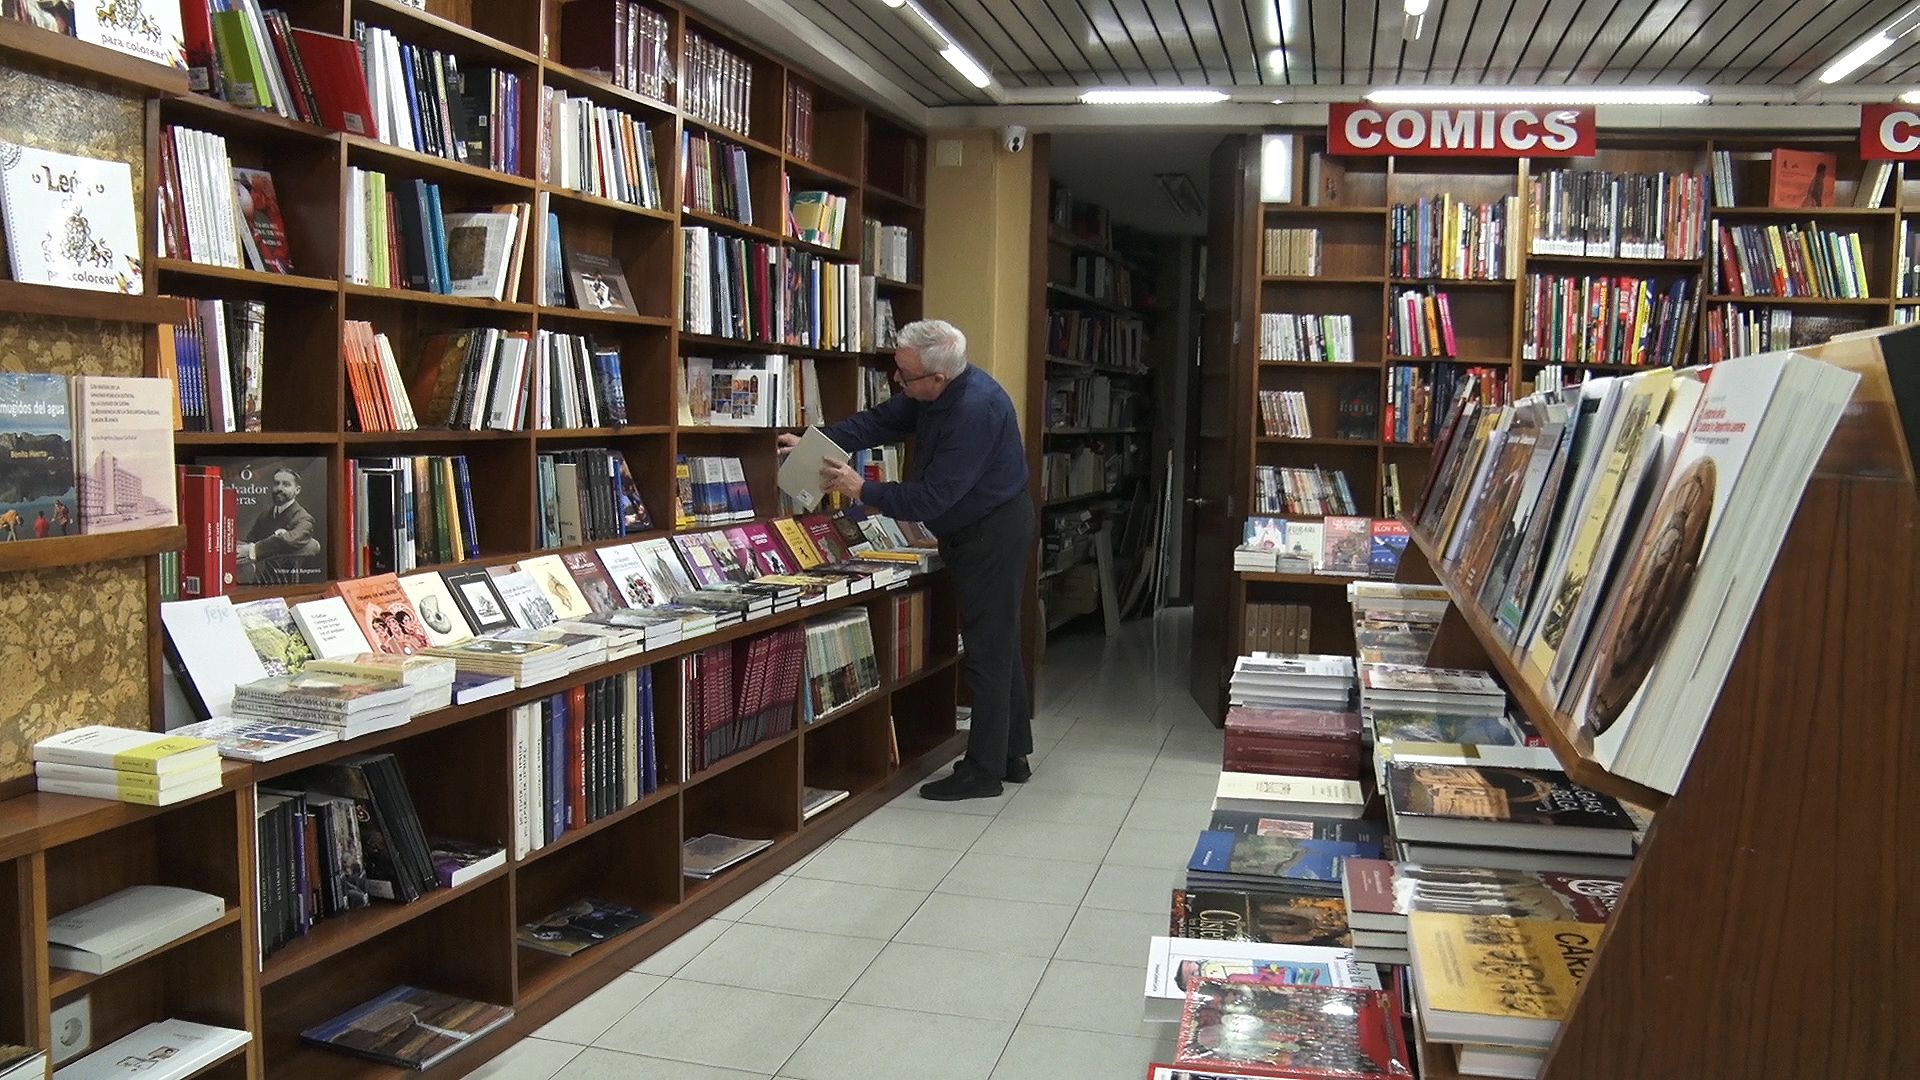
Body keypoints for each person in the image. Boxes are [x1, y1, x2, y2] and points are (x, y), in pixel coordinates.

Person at [779, 319, 1033, 801]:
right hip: (974, 526)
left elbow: (932, 498)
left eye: (906, 375)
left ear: (938, 378)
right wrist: (815, 444)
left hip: (992, 533)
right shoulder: (931, 390)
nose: (898, 380)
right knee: (997, 642)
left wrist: (863, 489)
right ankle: (1010, 753)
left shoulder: (975, 410)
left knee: (987, 652)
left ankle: (983, 773)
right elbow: (878, 420)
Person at [238, 465, 321, 578]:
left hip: (287, 582)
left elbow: (290, 540)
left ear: (297, 490)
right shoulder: (265, 515)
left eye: (286, 484)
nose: (279, 488)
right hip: (259, 578)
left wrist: (254, 550)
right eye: (276, 483)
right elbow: (251, 539)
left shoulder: (304, 518)